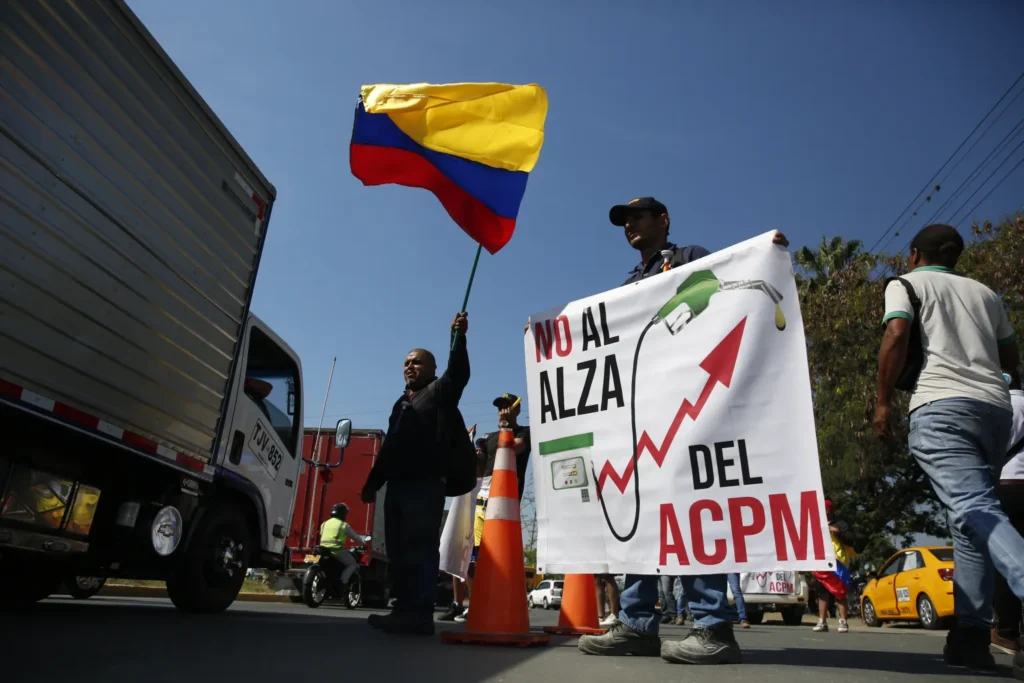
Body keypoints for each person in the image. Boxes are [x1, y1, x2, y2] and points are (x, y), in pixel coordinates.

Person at [577, 195, 789, 664]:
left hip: (692, 408)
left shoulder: (690, 257)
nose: (629, 225)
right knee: (645, 516)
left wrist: (765, 253)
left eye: (638, 217)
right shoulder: (629, 283)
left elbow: (732, 277)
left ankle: (713, 626)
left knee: (692, 514)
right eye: (624, 221)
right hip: (647, 411)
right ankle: (635, 624)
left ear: (662, 220)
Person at [872, 223, 1024, 671]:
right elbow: (1010, 359)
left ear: (915, 254)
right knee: (969, 522)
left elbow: (897, 335)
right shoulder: (986, 294)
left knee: (976, 508)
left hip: (941, 405)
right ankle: (971, 638)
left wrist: (883, 402)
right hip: (995, 410)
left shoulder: (905, 284)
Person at [362, 313, 471, 636]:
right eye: (407, 363)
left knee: (419, 548)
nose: (411, 366)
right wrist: (373, 483)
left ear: (433, 369)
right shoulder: (400, 404)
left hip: (424, 487)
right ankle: (403, 610)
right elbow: (390, 447)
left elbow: (459, 374)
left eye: (418, 362)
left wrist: (458, 338)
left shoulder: (440, 392)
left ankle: (420, 615)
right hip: (396, 486)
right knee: (397, 550)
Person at [438, 437, 489, 623]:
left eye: (481, 450)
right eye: (475, 449)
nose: (477, 451)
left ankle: (475, 605)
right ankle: (457, 604)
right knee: (457, 562)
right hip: (463, 522)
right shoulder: (465, 477)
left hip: (479, 528)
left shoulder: (489, 481)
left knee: (472, 566)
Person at [992, 373, 1024, 665]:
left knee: (1006, 560)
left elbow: (996, 446)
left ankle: (1006, 630)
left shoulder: (1005, 403)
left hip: (1008, 485)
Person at [810, 500, 855, 634]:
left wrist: (837, 531)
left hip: (838, 563)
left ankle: (843, 621)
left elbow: (850, 539)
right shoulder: (816, 524)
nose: (823, 511)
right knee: (822, 592)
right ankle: (822, 620)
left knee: (840, 592)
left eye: (825, 508)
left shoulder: (840, 524)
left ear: (830, 510)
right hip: (821, 562)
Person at [318, 503, 369, 587]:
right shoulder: (344, 525)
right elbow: (355, 537)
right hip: (336, 551)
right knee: (353, 564)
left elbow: (321, 535)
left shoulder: (324, 524)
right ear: (343, 514)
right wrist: (364, 545)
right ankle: (343, 582)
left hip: (322, 549)